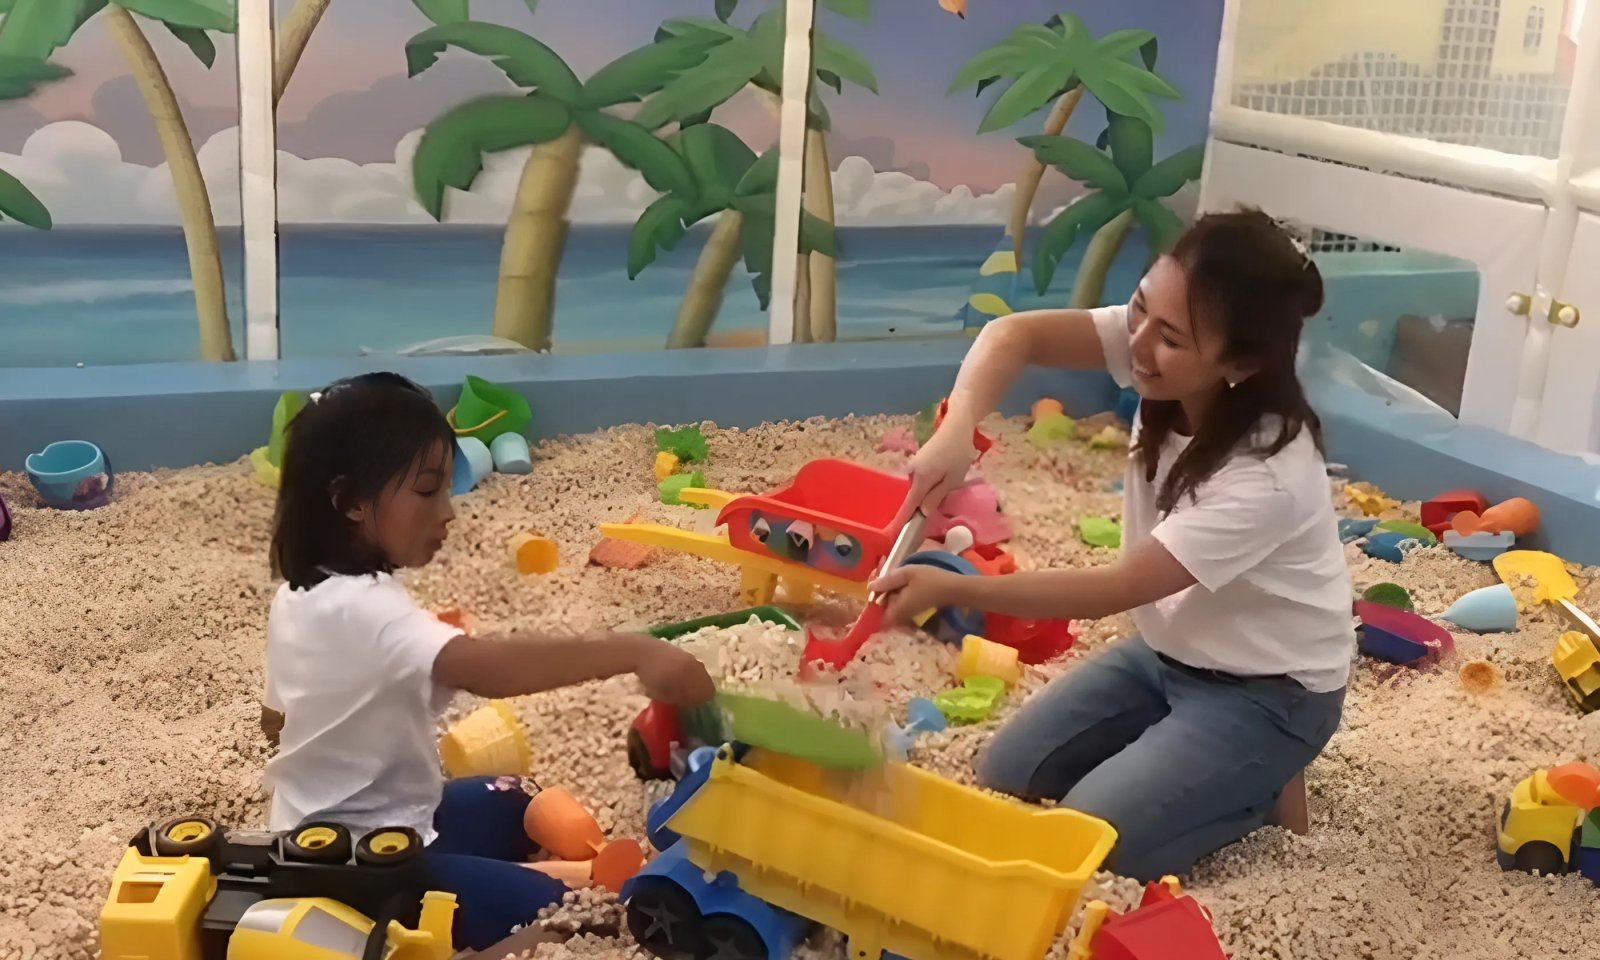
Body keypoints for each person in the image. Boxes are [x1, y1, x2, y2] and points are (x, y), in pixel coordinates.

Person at [874, 209, 1352, 880]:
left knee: (1097, 842)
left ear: (1240, 363)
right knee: (1011, 772)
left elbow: (1116, 588)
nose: (1138, 345)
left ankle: (1265, 787)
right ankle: (1188, 759)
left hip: (1269, 693)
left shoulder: (1267, 473)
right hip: (1167, 656)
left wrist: (955, 586)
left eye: (1172, 338)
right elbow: (1013, 334)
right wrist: (957, 429)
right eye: (1139, 309)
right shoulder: (1158, 353)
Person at [259, 372, 715, 950]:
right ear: (350, 501)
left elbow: (275, 719)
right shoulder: (369, 613)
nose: (448, 512)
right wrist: (635, 651)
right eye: (427, 491)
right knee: (567, 915)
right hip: (366, 871)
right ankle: (537, 898)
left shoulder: (297, 595)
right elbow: (490, 670)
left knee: (511, 796)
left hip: (333, 830)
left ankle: (537, 873)